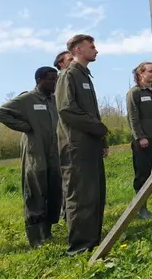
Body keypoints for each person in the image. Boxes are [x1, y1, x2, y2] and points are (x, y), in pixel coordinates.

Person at [0, 67, 61, 248]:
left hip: (54, 153)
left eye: (56, 79)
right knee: (35, 192)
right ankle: (35, 237)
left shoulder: (54, 100)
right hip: (35, 152)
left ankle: (47, 232)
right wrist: (24, 126)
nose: (54, 83)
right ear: (39, 80)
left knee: (53, 191)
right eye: (51, 79)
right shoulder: (27, 99)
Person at [55, 34, 110, 256]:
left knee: (95, 194)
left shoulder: (85, 76)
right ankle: (78, 248)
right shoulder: (68, 75)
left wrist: (101, 140)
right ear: (78, 50)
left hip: (91, 145)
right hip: (76, 147)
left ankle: (92, 241)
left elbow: (91, 112)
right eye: (92, 47)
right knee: (79, 196)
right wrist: (97, 127)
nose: (96, 50)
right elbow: (67, 110)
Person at [126, 62, 152, 219]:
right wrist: (140, 137)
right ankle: (142, 208)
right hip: (143, 140)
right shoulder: (134, 93)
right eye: (150, 71)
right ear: (140, 74)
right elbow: (133, 117)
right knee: (143, 174)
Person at [53, 50, 72, 222]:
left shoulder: (73, 78)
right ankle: (65, 213)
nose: (73, 62)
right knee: (66, 177)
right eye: (70, 59)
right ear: (61, 63)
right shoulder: (60, 80)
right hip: (61, 137)